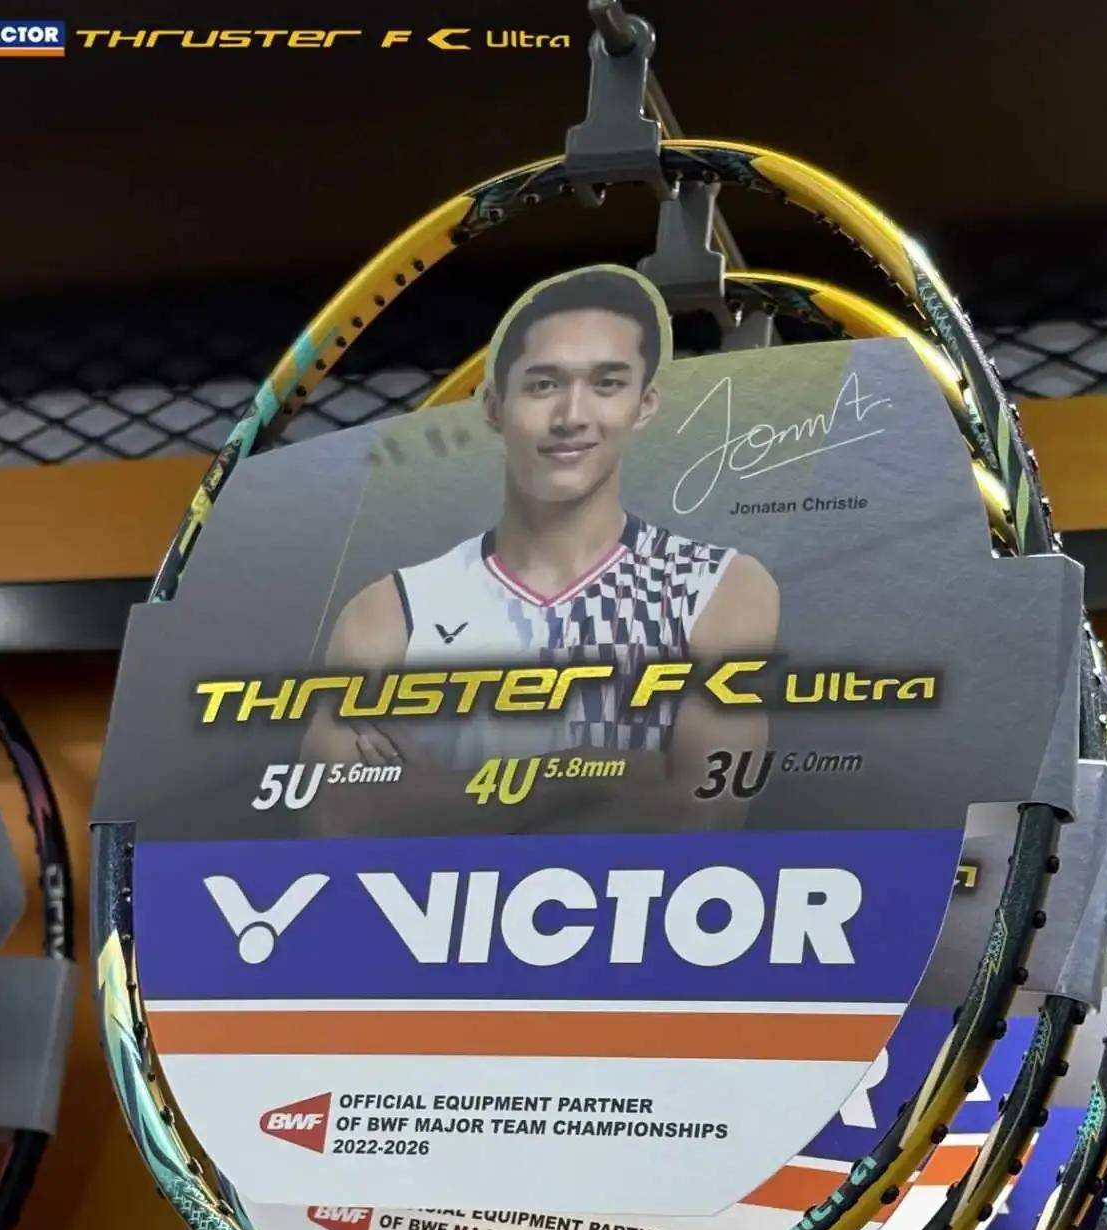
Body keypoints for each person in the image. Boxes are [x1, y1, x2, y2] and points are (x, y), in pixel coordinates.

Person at [313, 266, 778, 825]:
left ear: (645, 405)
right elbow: (336, 825)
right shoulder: (386, 612)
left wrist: (441, 794)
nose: (571, 417)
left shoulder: (719, 586)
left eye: (607, 384)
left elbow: (700, 817)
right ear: (493, 406)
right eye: (543, 385)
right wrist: (590, 772)